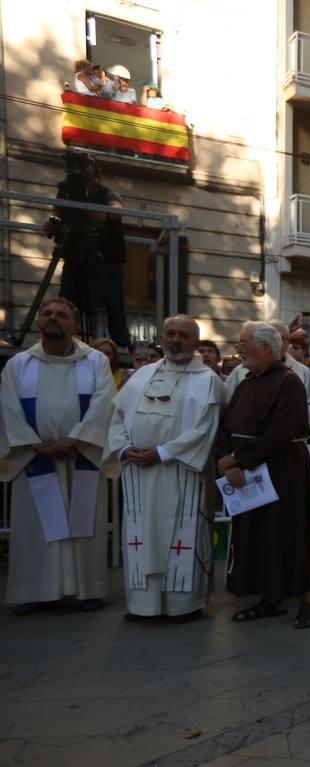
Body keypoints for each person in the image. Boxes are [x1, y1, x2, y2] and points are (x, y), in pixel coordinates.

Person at [0, 298, 116, 614]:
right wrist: (34, 444)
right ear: (38, 321)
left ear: (75, 326)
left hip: (81, 455)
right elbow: (8, 408)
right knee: (37, 527)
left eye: (61, 315)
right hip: (34, 457)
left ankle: (87, 589)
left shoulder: (94, 362)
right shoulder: (19, 364)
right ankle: (37, 591)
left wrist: (76, 438)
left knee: (83, 523)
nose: (53, 318)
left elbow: (105, 403)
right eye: (47, 313)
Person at [106, 315, 223, 623]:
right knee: (139, 535)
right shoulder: (142, 375)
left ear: (196, 343)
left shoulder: (207, 379)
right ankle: (143, 605)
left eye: (183, 335)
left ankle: (183, 605)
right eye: (170, 333)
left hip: (180, 472)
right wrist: (123, 449)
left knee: (181, 535)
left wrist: (162, 452)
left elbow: (204, 430)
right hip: (138, 472)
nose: (175, 340)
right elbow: (116, 418)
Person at [216, 321, 310, 627]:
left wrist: (237, 459)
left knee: (287, 534)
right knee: (258, 536)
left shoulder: (289, 382)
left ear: (266, 348)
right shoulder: (246, 382)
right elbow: (226, 424)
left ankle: (307, 600)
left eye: (244, 343)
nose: (239, 349)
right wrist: (226, 457)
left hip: (281, 469)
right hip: (246, 470)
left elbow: (282, 431)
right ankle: (269, 597)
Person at [45, 150, 130, 350]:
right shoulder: (65, 192)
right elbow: (56, 214)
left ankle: (122, 344)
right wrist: (52, 224)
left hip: (106, 258)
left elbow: (118, 208)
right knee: (66, 299)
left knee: (112, 301)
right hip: (75, 256)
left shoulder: (105, 193)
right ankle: (64, 339)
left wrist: (104, 214)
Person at [224, 319, 310, 435]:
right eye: (269, 336)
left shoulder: (301, 374)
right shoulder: (241, 372)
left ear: (288, 341)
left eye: (280, 337)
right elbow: (227, 407)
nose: (275, 341)